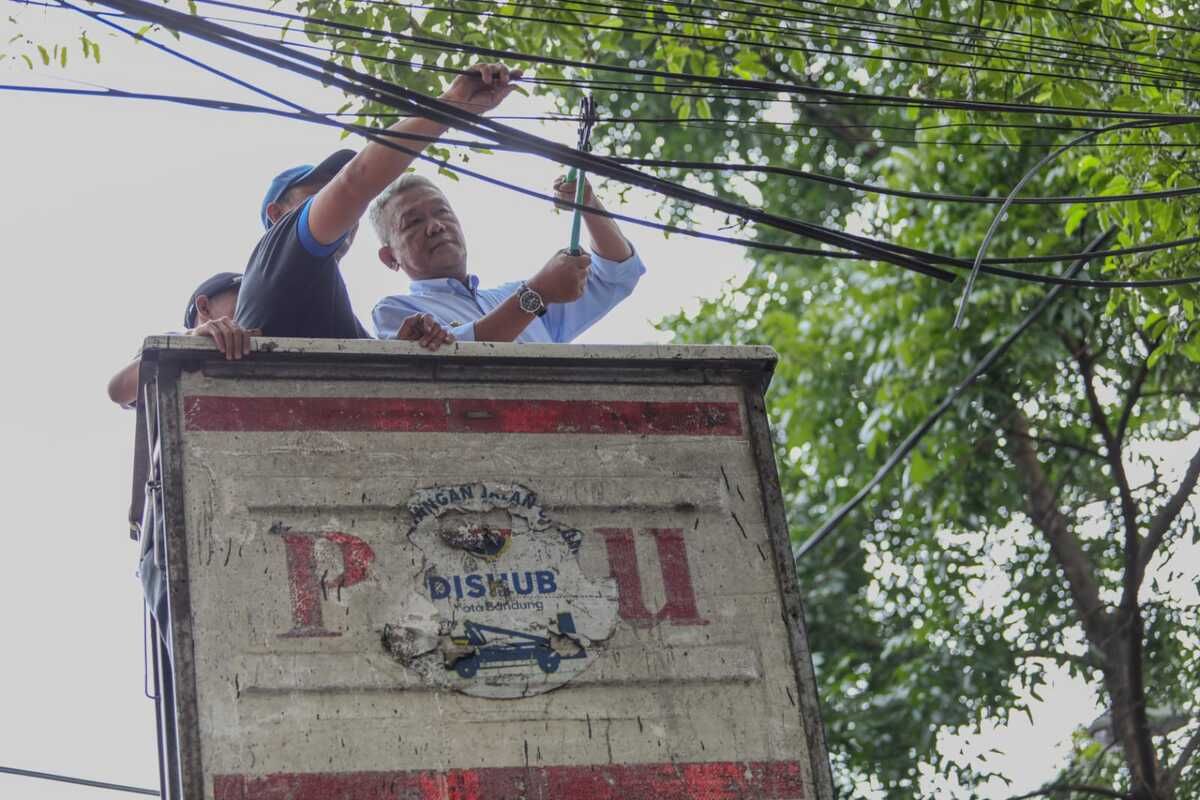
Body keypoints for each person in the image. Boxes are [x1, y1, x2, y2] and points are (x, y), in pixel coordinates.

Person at [235, 62, 522, 347]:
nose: (345, 209)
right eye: (320, 193)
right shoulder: (279, 253)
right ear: (277, 214)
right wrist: (450, 104)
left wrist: (401, 347)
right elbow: (353, 184)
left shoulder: (328, 302)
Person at [369, 173, 646, 343]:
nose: (435, 226)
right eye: (413, 222)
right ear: (389, 257)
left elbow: (617, 274)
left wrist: (588, 203)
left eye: (442, 212)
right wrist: (536, 293)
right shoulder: (396, 311)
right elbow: (448, 360)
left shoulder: (509, 296)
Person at [106, 272, 258, 408]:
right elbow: (119, 390)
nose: (250, 310)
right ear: (204, 307)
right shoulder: (170, 341)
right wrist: (190, 344)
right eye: (242, 301)